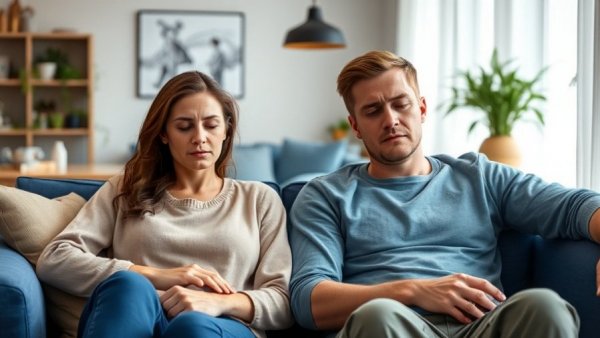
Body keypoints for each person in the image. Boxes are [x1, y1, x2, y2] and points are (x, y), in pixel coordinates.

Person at [288, 50, 600, 338]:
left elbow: (574, 207)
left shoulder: (479, 176)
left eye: (401, 104)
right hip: (391, 326)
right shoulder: (325, 195)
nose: (390, 119)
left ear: (421, 108)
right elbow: (307, 299)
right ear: (355, 126)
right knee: (377, 314)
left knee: (544, 306)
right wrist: (412, 291)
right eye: (373, 110)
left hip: (482, 324)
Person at [36, 71, 294, 338]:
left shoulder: (259, 199)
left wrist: (219, 302)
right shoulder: (126, 189)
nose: (199, 137)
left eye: (211, 125)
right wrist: (157, 275)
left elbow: (283, 300)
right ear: (163, 134)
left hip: (221, 326)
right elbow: (55, 259)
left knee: (191, 326)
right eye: (184, 127)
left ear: (227, 129)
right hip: (139, 320)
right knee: (128, 285)